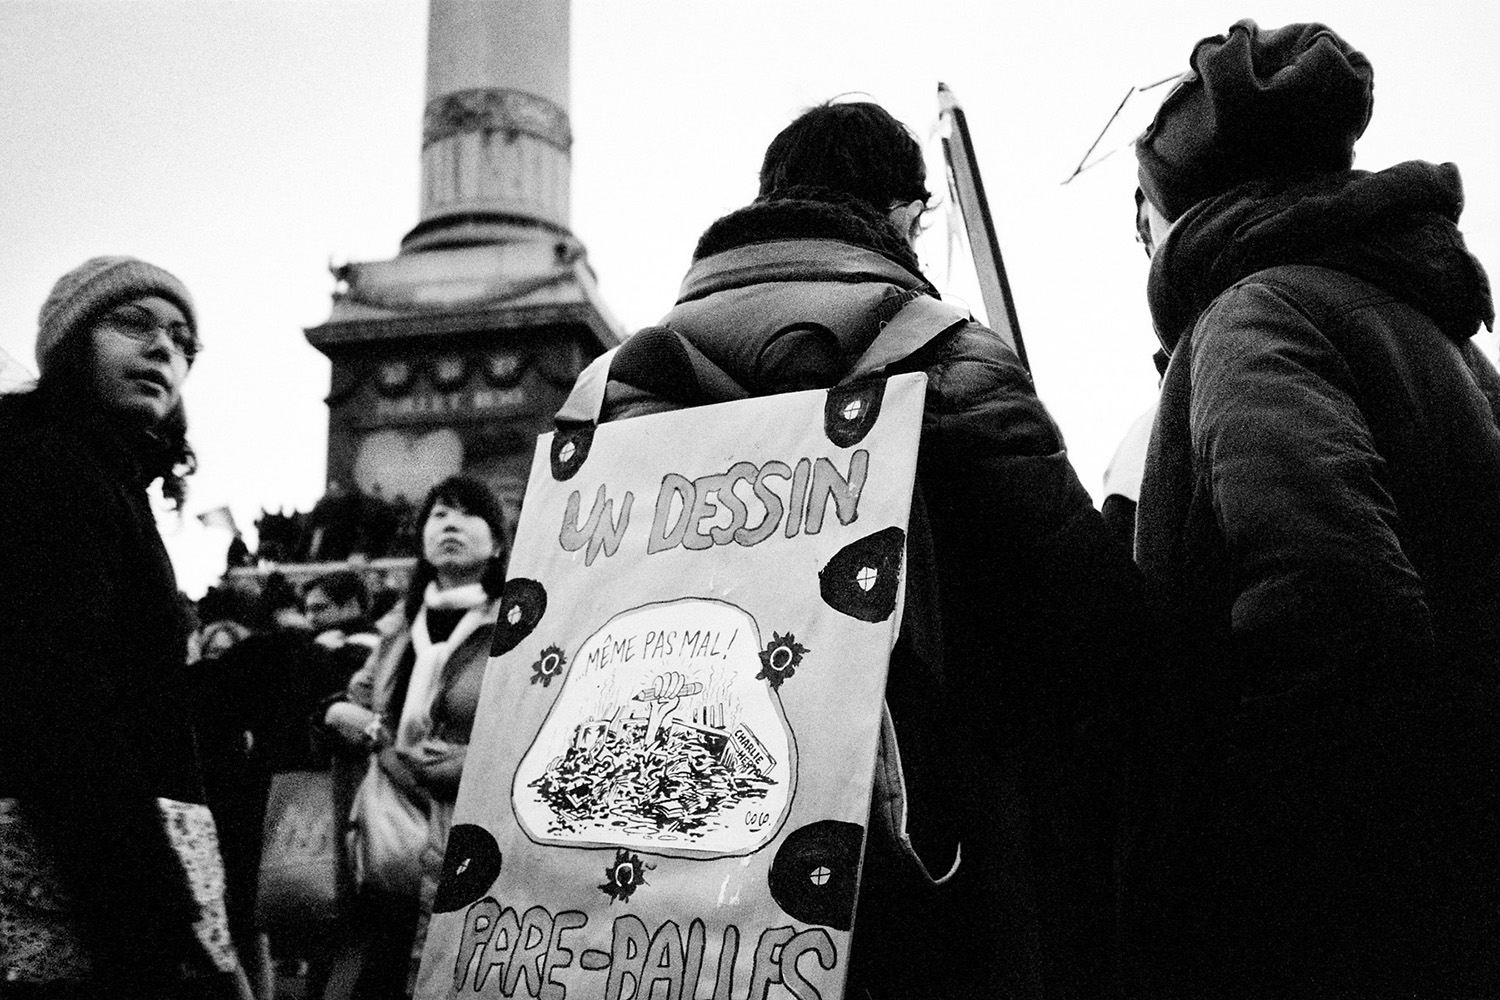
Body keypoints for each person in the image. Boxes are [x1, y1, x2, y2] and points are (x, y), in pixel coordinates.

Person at [558, 100, 1145, 999]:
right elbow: (1088, 615)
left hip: (656, 860)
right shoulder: (941, 352)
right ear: (905, 213)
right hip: (913, 857)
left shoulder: (613, 389)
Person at [1125, 20, 1500, 998]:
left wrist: (1252, 899)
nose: (1138, 241)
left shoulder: (1254, 313)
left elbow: (1336, 607)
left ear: (1182, 209)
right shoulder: (1446, 339)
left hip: (1333, 921)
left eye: (1140, 211)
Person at [0, 257, 251, 997]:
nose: (163, 350)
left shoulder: (105, 474)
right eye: (132, 324)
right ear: (72, 342)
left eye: (182, 341)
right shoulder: (45, 465)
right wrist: (156, 926)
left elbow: (131, 690)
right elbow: (59, 703)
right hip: (81, 880)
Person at [324, 474, 508, 1000]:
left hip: (470, 838)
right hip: (386, 837)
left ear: (498, 543)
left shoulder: (521, 626)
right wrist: (342, 715)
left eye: (467, 513)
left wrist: (476, 761)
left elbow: (539, 726)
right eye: (437, 513)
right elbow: (352, 704)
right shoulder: (398, 628)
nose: (449, 522)